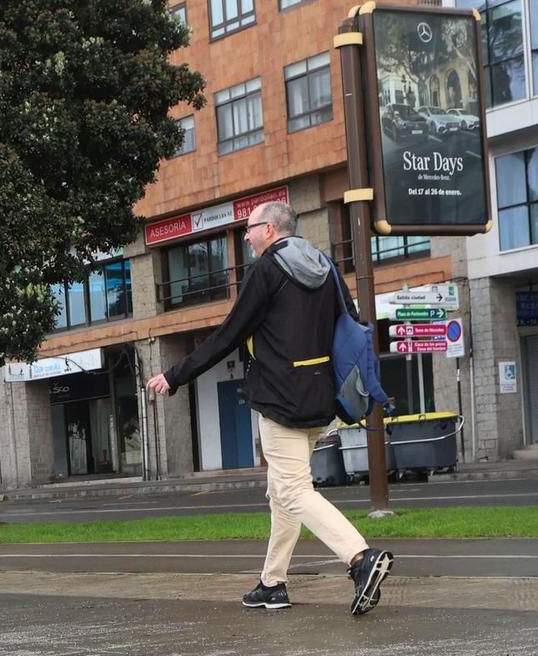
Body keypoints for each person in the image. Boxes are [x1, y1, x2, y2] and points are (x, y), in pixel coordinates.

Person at [145, 200, 394, 616]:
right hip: (320, 397)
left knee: (295, 491)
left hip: (280, 400)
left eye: (249, 228)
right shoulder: (325, 266)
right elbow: (348, 323)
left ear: (271, 229)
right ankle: (272, 583)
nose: (244, 235)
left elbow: (228, 334)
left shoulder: (267, 270)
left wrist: (175, 376)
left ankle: (360, 558)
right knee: (281, 492)